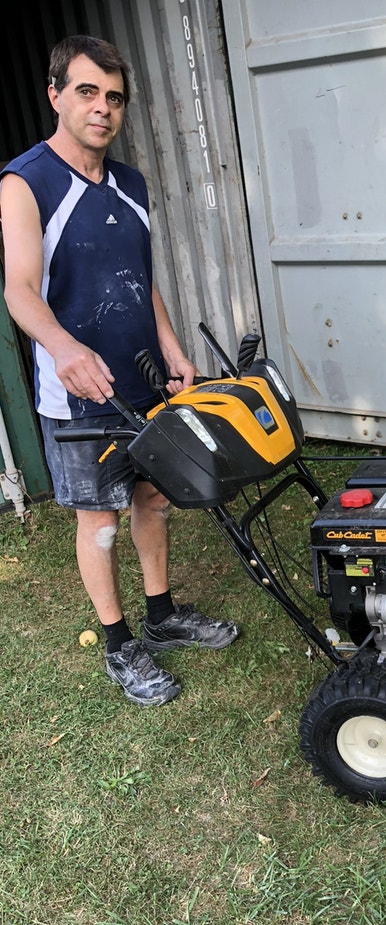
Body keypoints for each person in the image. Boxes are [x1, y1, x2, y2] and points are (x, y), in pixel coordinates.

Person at [0, 35, 238, 707]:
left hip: (142, 381)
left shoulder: (130, 184)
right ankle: (117, 643)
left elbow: (143, 280)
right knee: (98, 518)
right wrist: (63, 348)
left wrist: (170, 346)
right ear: (55, 94)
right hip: (78, 395)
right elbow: (20, 288)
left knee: (153, 501)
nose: (102, 108)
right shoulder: (25, 182)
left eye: (113, 97)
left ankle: (162, 616)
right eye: (86, 92)